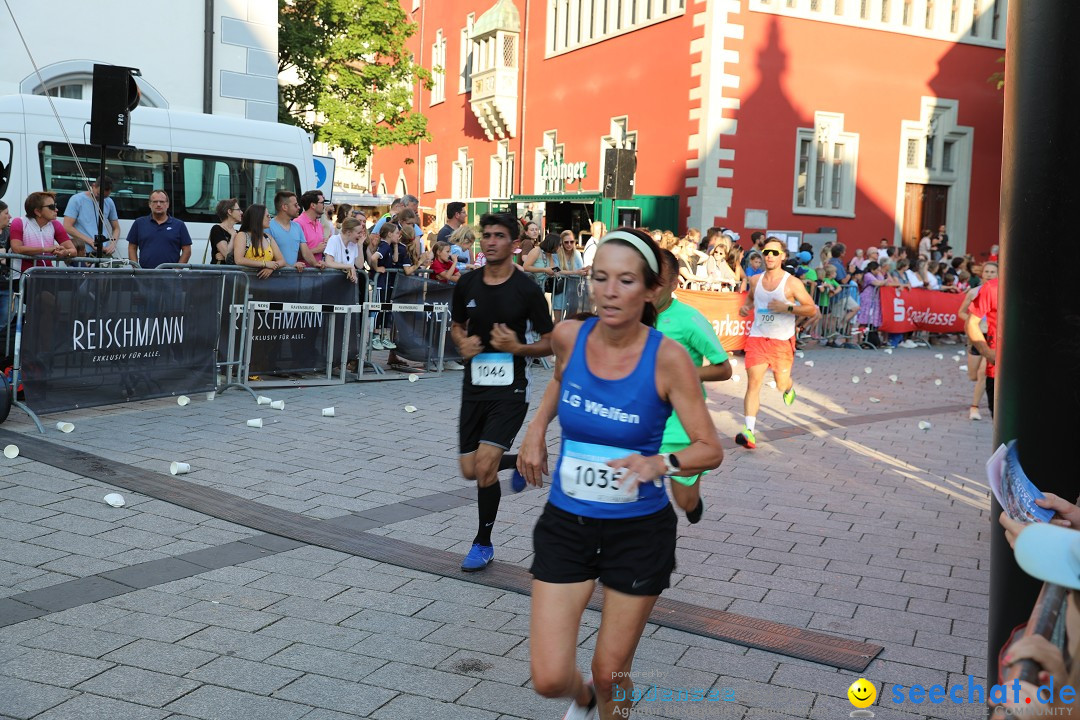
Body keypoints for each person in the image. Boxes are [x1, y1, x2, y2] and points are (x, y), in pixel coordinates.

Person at [516, 227, 724, 719]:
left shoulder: (668, 358)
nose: (608, 291)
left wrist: (660, 463)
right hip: (567, 524)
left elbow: (709, 448)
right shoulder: (570, 335)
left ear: (652, 290)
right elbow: (564, 378)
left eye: (625, 280)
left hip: (638, 531)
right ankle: (586, 702)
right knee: (548, 679)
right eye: (599, 277)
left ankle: (604, 697)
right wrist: (536, 429)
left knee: (611, 672)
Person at [448, 213, 554, 572]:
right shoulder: (467, 283)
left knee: (483, 469)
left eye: (499, 236)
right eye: (486, 235)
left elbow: (550, 342)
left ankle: (482, 542)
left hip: (510, 389)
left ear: (514, 244)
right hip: (473, 386)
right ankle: (523, 462)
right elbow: (457, 326)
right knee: (469, 469)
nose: (490, 241)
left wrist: (518, 347)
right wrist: (462, 343)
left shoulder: (527, 290)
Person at [655, 249, 731, 524]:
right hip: (641, 419)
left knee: (684, 502)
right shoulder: (631, 315)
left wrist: (681, 374)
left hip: (680, 424)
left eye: (659, 282)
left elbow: (724, 368)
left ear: (674, 283)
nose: (650, 288)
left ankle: (693, 497)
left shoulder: (688, 319)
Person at [735, 237, 818, 449]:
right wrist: (746, 308)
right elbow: (751, 300)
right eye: (766, 253)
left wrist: (787, 308)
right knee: (754, 383)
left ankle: (789, 388)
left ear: (782, 256)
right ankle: (749, 431)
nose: (769, 256)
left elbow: (811, 309)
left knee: (781, 384)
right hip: (758, 338)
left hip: (781, 341)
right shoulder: (755, 280)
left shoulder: (792, 283)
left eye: (774, 253)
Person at [958, 261, 997, 420]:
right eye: (986, 271)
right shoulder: (973, 292)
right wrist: (975, 322)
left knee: (983, 373)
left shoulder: (1000, 291)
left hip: (991, 339)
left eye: (992, 272)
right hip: (976, 337)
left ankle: (974, 407)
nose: (988, 274)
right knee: (973, 375)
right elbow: (961, 312)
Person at [9, 192, 78, 272]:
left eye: (55, 206)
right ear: (37, 211)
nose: (56, 209)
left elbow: (73, 251)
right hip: (22, 275)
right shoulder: (19, 222)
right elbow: (16, 249)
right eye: (51, 207)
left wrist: (65, 252)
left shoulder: (55, 224)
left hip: (46, 274)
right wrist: (46, 249)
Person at [63, 176, 119, 257]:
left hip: (103, 251)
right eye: (99, 194)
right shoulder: (76, 199)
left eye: (105, 196)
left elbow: (116, 227)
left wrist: (113, 244)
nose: (101, 198)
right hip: (82, 251)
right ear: (93, 186)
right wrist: (91, 242)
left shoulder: (109, 202)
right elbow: (67, 226)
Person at [266, 190, 319, 270]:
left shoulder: (297, 227)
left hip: (292, 278)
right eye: (295, 205)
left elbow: (306, 253)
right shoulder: (268, 227)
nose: (299, 207)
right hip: (274, 278)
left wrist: (317, 264)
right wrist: (290, 267)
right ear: (285, 207)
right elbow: (268, 256)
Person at [230, 204, 286, 280]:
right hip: (245, 283)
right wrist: (265, 264)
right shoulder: (242, 235)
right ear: (258, 218)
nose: (270, 218)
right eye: (267, 216)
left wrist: (271, 268)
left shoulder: (268, 237)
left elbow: (282, 261)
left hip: (265, 285)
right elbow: (239, 260)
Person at [552, 230, 587, 321]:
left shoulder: (577, 254)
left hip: (573, 291)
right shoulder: (555, 255)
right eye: (566, 242)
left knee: (571, 320)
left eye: (572, 242)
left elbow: (581, 269)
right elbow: (556, 270)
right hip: (559, 290)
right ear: (562, 243)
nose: (569, 244)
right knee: (558, 321)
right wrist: (574, 272)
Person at [323, 217, 366, 284]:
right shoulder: (334, 240)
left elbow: (360, 265)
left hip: (347, 286)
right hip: (331, 283)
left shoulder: (354, 244)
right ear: (349, 232)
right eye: (359, 233)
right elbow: (329, 262)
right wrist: (349, 266)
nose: (361, 235)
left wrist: (360, 246)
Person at [296, 190, 328, 264]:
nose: (324, 205)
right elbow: (293, 255)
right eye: (322, 203)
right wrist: (316, 250)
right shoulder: (298, 223)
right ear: (313, 205)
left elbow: (321, 249)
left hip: (318, 272)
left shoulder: (319, 224)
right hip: (302, 273)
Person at [208, 198, 241, 264]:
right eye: (238, 210)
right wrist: (233, 236)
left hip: (234, 272)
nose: (241, 212)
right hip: (220, 272)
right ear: (229, 212)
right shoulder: (217, 229)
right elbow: (227, 254)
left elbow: (243, 255)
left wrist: (228, 256)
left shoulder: (238, 232)